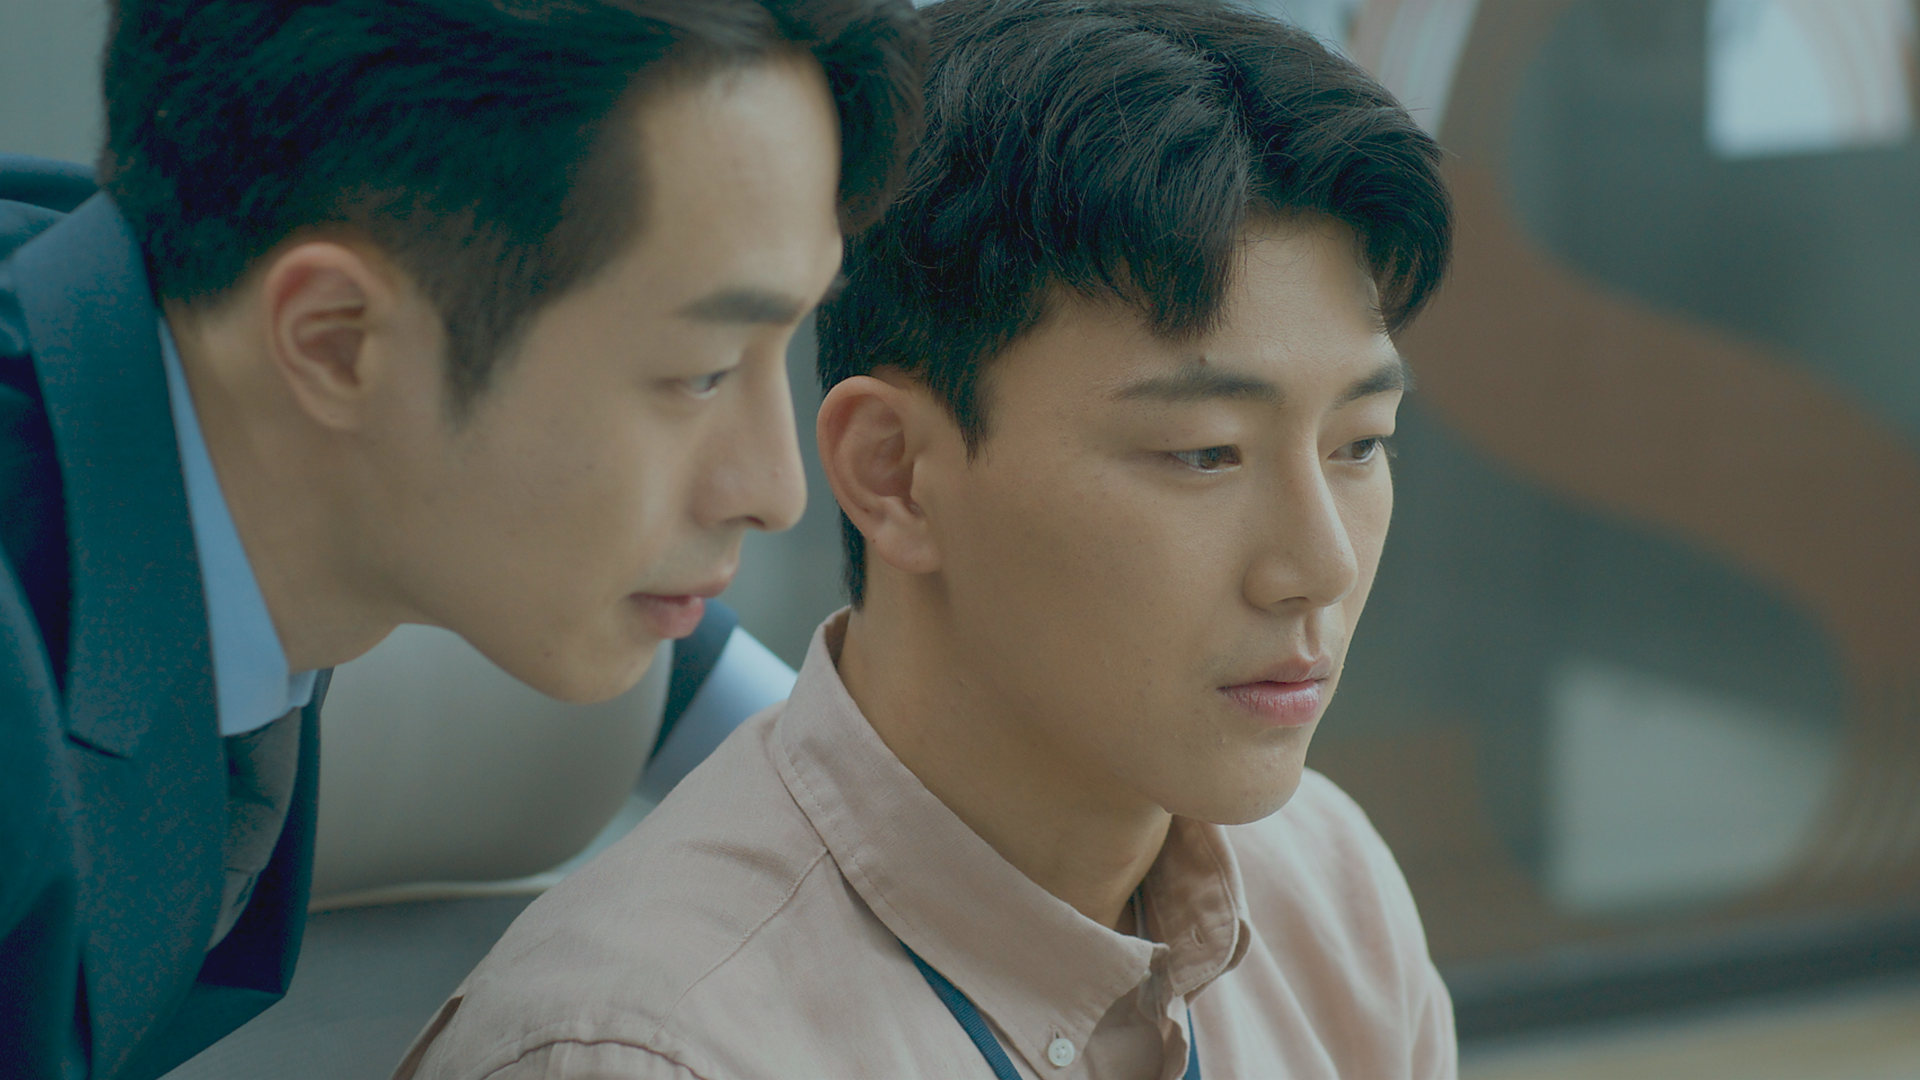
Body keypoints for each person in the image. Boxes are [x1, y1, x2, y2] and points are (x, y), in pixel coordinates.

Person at [398, 0, 1455, 1077]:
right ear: (894, 473)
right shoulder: (650, 1053)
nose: (1320, 565)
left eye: (1361, 443)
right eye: (1205, 453)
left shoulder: (1329, 890)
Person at [0, 0, 923, 1076]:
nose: (776, 490)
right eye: (702, 371)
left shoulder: (160, 341)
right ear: (338, 342)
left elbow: (690, 665)